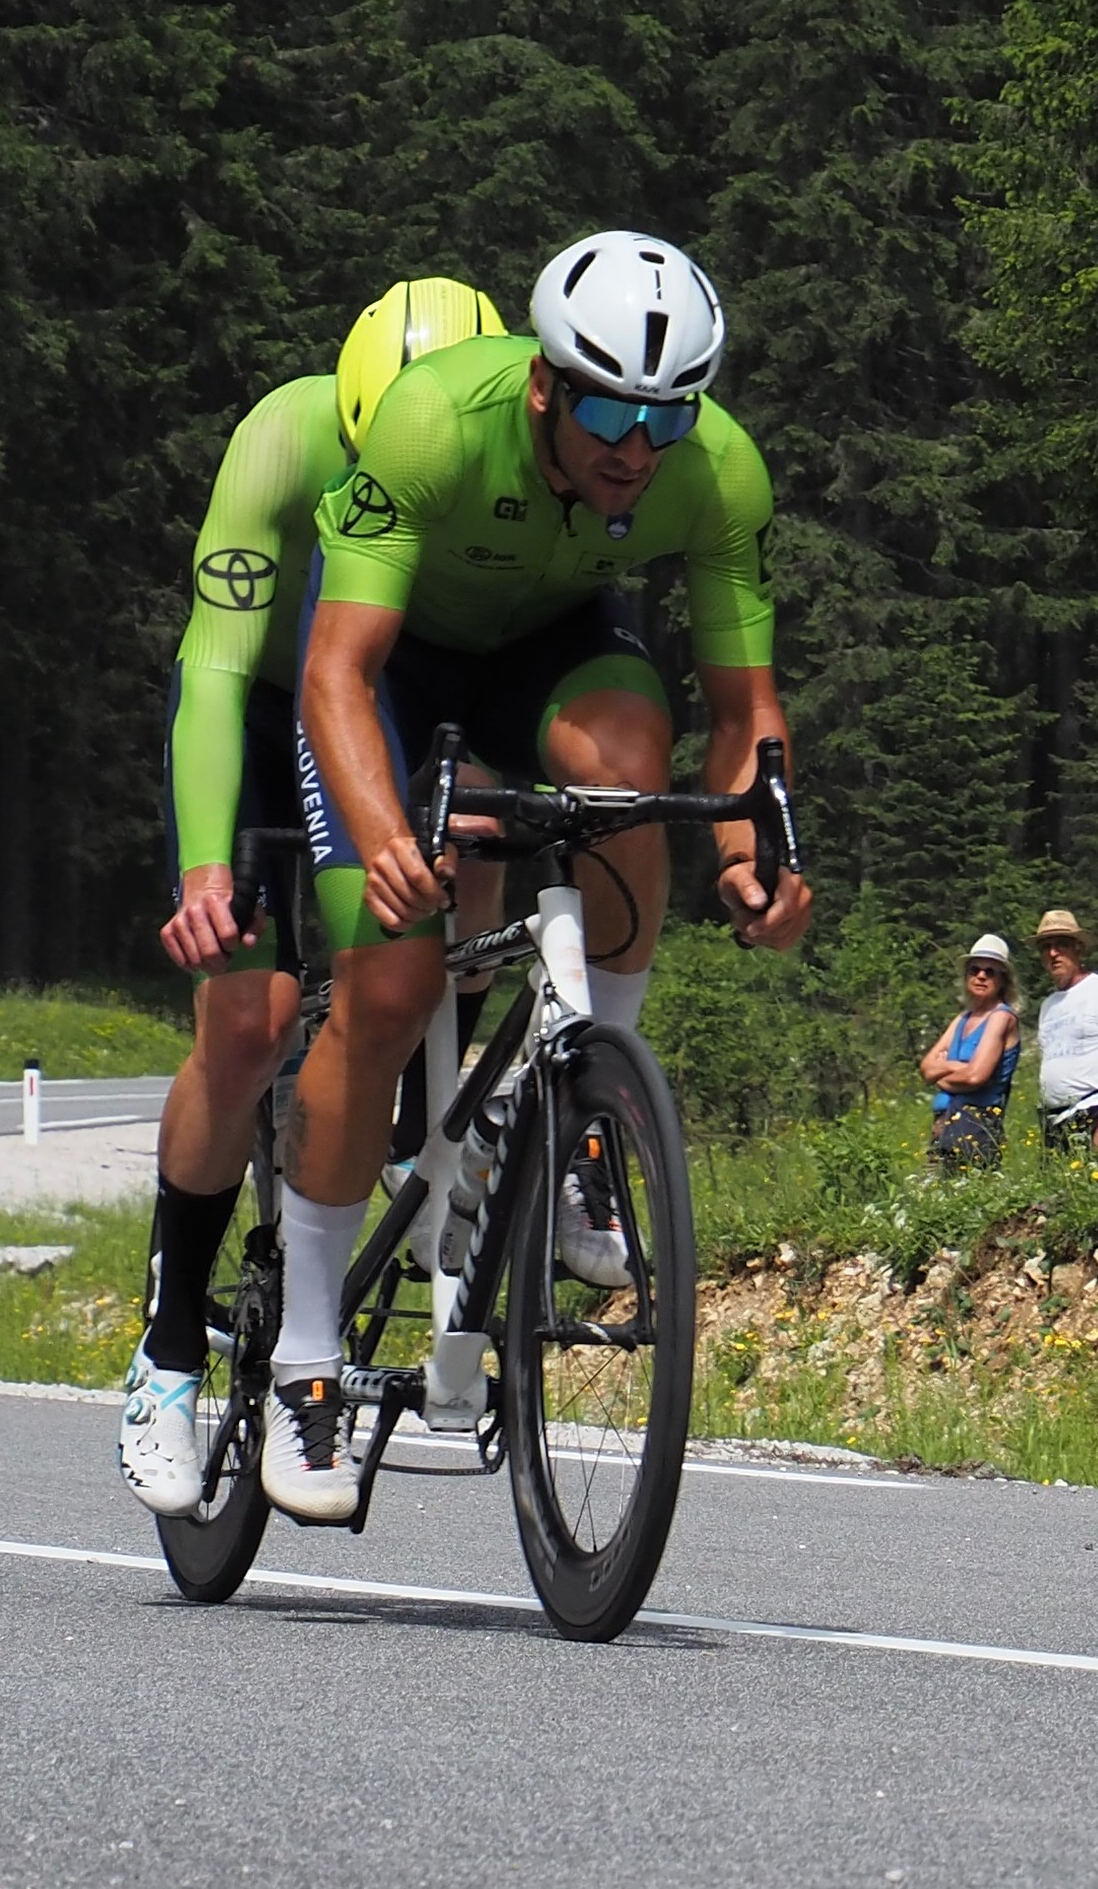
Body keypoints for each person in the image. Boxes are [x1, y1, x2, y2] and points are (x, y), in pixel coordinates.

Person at [276, 229, 813, 1522]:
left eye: (664, 417)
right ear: (541, 386)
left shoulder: (718, 471)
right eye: (608, 411)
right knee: (389, 987)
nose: (636, 447)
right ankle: (302, 1353)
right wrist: (383, 832)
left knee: (631, 773)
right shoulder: (432, 424)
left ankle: (581, 1122)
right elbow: (335, 673)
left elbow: (743, 707)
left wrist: (754, 851)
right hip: (391, 662)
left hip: (549, 648)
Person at [120, 276, 510, 1515]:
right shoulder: (281, 440)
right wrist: (204, 868)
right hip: (269, 696)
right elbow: (215, 666)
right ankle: (168, 1349)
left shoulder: (493, 450)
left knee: (464, 877)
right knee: (248, 1018)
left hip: (391, 698)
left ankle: (431, 1131)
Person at [1029, 907, 1098, 1157]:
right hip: (1055, 1121)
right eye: (1045, 947)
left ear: (1078, 948)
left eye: (1061, 945)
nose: (1053, 953)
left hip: (1094, 1110)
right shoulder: (1048, 1005)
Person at [917, 933, 1023, 1172]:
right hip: (943, 1123)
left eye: (990, 971)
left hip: (975, 1124)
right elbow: (926, 1069)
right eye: (974, 970)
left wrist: (943, 1071)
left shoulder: (1001, 1017)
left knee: (968, 1188)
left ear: (1003, 980)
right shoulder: (962, 1018)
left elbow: (976, 1076)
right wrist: (959, 1067)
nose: (981, 976)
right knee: (935, 1189)